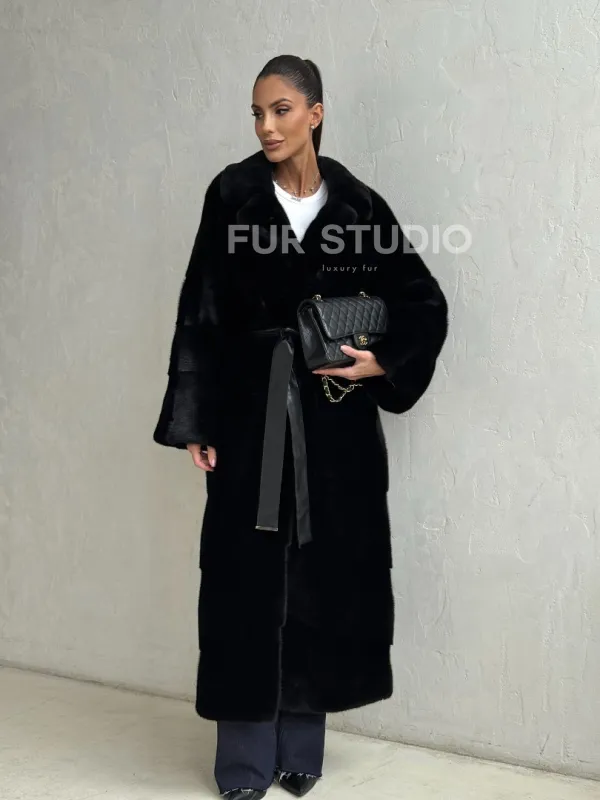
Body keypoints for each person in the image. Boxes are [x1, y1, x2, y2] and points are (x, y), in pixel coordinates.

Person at [153, 55, 449, 800]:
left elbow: (422, 300)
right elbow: (201, 309)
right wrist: (196, 417)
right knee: (244, 584)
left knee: (323, 580)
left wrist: (380, 362)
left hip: (334, 423)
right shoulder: (232, 195)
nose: (266, 126)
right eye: (257, 113)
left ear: (315, 113)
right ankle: (243, 765)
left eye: (281, 109)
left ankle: (300, 752)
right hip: (249, 415)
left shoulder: (359, 206)